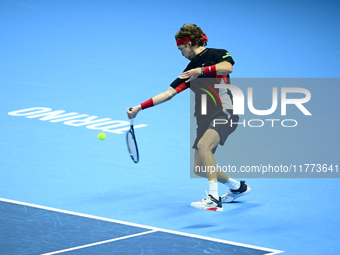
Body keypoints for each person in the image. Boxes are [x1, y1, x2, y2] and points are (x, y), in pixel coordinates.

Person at [127, 23, 250, 211]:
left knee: (203, 145)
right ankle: (237, 187)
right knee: (199, 168)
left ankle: (213, 199)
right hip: (205, 118)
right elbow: (168, 93)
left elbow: (227, 68)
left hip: (226, 112)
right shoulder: (188, 70)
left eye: (181, 49)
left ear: (190, 43)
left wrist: (200, 71)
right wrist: (139, 107)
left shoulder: (217, 54)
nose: (181, 53)